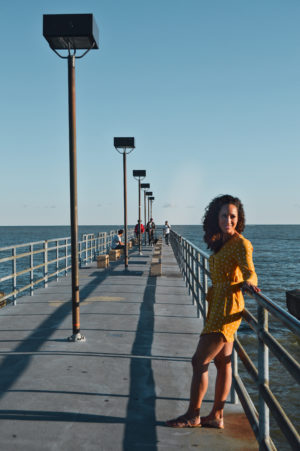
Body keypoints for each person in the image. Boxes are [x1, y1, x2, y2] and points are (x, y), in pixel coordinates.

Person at [166, 194, 260, 429]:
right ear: (216, 217)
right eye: (224, 215)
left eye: (233, 216)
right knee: (222, 364)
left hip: (228, 308)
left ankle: (193, 415)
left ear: (239, 219)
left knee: (199, 360)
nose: (228, 220)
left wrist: (249, 282)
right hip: (217, 304)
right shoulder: (221, 242)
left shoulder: (241, 243)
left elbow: (250, 271)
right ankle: (217, 416)